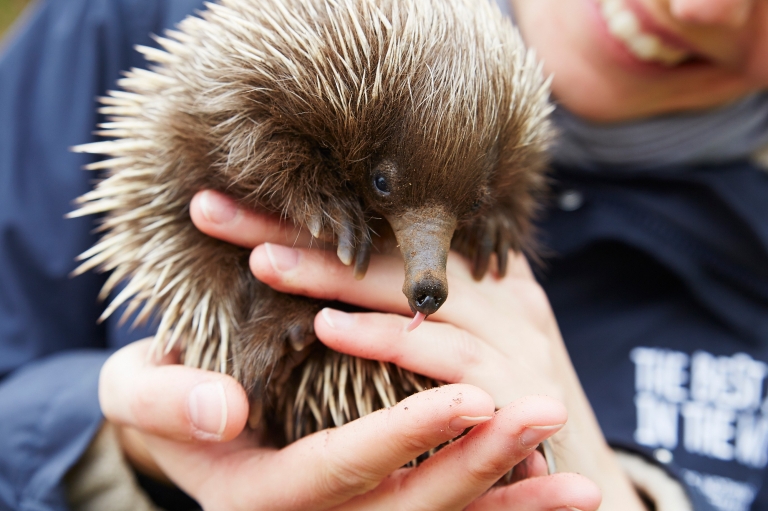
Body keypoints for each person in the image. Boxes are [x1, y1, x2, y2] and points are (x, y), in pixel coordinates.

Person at [0, 1, 765, 511]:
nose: (701, 7)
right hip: (251, 315)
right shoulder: (121, 21)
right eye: (384, 182)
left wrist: (625, 494)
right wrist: (126, 446)